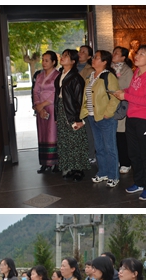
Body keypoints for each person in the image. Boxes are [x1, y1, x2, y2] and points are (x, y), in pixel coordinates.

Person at [113, 45, 146, 201]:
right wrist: (124, 92)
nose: (137, 56)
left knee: (145, 154)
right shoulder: (137, 72)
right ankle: (139, 182)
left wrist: (126, 97)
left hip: (145, 120)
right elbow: (133, 90)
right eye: (137, 53)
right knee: (134, 153)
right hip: (132, 117)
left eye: (142, 54)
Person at [80, 50, 121, 188]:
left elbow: (115, 97)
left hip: (105, 118)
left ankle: (113, 175)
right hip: (92, 117)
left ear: (104, 62)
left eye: (96, 58)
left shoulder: (108, 76)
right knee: (99, 147)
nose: (93, 59)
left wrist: (107, 113)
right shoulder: (91, 76)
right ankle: (103, 172)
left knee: (110, 148)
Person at [54, 49, 89, 181]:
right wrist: (56, 115)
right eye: (62, 55)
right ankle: (68, 166)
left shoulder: (76, 78)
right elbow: (56, 97)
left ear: (73, 61)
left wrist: (79, 119)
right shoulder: (60, 75)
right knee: (65, 140)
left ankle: (78, 169)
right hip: (62, 109)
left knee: (76, 140)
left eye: (66, 56)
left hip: (72, 111)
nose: (62, 58)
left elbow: (80, 100)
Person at [33, 51, 60, 173]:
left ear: (53, 62)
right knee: (42, 134)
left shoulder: (58, 75)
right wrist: (38, 107)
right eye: (43, 60)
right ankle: (45, 163)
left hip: (52, 107)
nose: (43, 62)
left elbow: (56, 93)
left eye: (46, 60)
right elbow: (35, 91)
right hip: (41, 109)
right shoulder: (39, 75)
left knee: (52, 134)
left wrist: (43, 105)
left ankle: (55, 163)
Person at [111, 46, 133, 175]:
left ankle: (125, 162)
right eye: (113, 52)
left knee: (121, 136)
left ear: (123, 57)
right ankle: (118, 159)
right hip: (110, 105)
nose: (113, 54)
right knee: (113, 136)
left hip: (121, 106)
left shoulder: (127, 70)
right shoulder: (109, 68)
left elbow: (127, 88)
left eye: (117, 53)